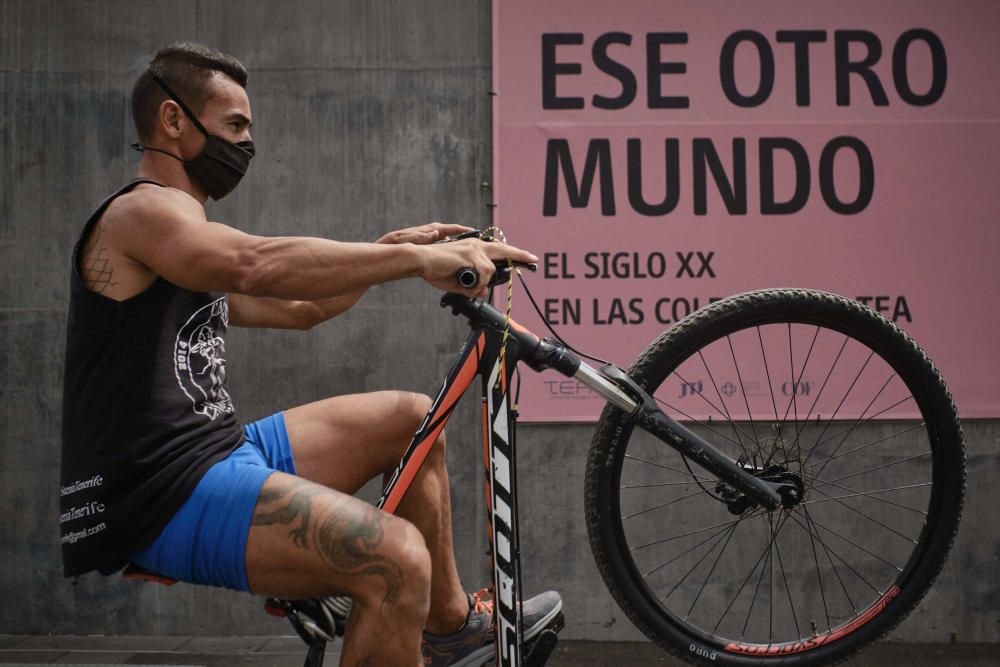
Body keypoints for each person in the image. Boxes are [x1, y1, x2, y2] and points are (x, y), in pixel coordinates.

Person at [59, 42, 561, 667]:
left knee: (412, 420)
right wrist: (417, 258)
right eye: (235, 125)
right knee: (397, 561)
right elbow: (254, 264)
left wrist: (390, 251)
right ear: (172, 120)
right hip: (160, 493)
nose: (246, 144)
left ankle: (451, 628)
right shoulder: (141, 213)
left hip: (217, 454)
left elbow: (303, 309)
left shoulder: (181, 236)